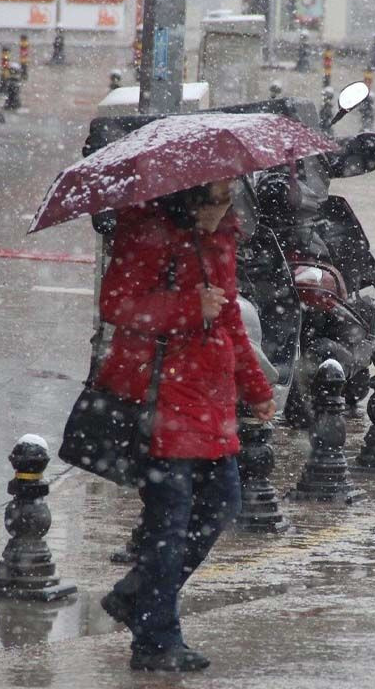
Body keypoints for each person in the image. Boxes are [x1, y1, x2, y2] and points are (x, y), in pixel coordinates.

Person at [96, 180, 275, 672]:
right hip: (163, 400)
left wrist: (256, 386)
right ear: (184, 197)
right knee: (168, 525)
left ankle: (138, 596)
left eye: (225, 199)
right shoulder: (148, 234)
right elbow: (116, 304)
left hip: (209, 400)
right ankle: (156, 639)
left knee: (221, 505)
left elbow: (231, 320)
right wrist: (185, 308)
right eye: (208, 200)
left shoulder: (222, 239)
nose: (219, 210)